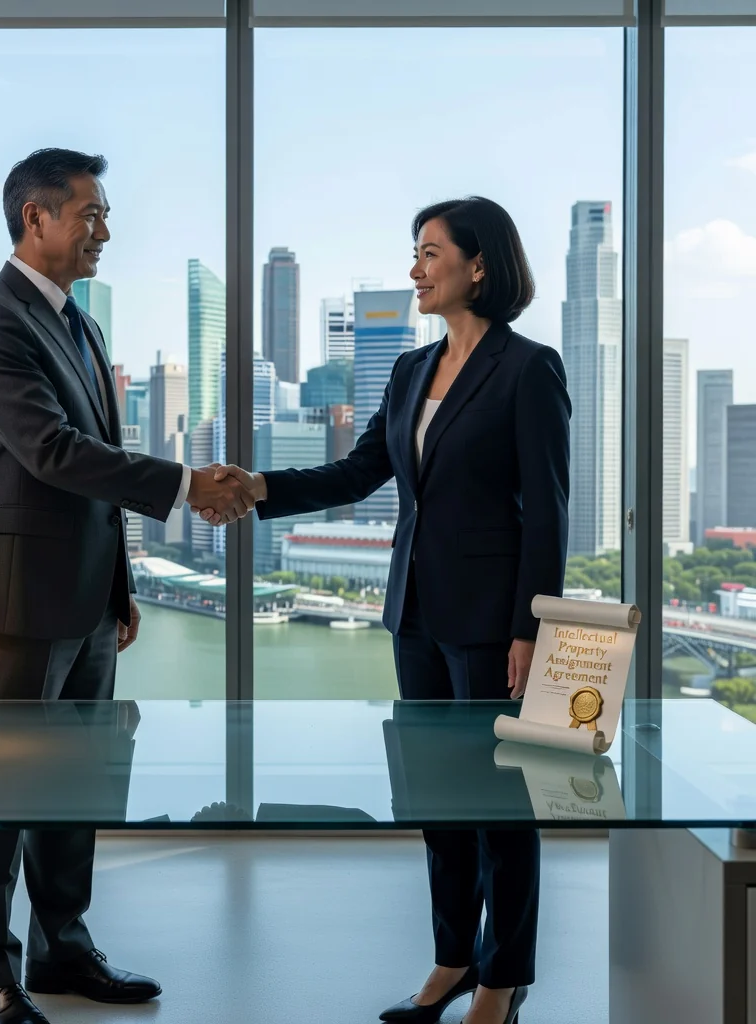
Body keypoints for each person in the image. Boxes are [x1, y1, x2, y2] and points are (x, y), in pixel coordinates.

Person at [197, 196, 571, 1024]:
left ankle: (502, 982)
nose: (415, 270)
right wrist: (259, 488)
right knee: (435, 801)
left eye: (430, 253)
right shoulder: (409, 371)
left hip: (491, 619)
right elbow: (360, 470)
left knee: (500, 808)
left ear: (480, 265)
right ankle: (449, 962)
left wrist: (528, 628)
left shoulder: (529, 368)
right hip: (415, 614)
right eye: (415, 253)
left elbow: (547, 511)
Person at [0, 147, 252, 1024]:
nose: (105, 231)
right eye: (90, 214)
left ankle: (62, 949)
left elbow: (93, 484)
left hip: (84, 600)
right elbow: (49, 452)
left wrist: (120, 590)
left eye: (105, 215)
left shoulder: (80, 324)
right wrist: (187, 485)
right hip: (12, 603)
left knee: (81, 784)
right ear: (34, 218)